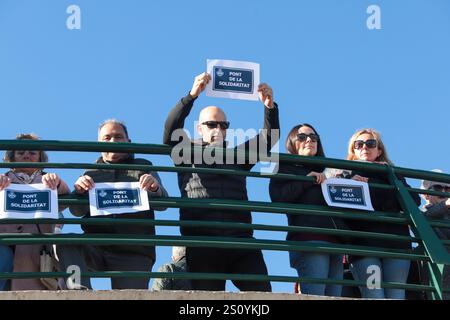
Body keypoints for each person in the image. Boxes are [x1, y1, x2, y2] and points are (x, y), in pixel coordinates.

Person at [163, 72, 279, 292]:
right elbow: (170, 132)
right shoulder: (186, 153)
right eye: (211, 124)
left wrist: (269, 108)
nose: (218, 129)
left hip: (241, 241)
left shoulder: (237, 155)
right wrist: (192, 96)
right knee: (207, 302)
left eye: (224, 125)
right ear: (199, 128)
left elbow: (268, 140)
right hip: (202, 242)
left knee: (263, 296)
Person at [56, 119, 168, 290]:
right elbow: (76, 211)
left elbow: (163, 204)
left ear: (128, 142)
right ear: (99, 144)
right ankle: (78, 290)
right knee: (66, 242)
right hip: (96, 246)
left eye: (118, 137)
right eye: (107, 138)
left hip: (134, 251)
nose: (113, 141)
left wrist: (154, 187)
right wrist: (79, 192)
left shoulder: (144, 166)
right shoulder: (90, 171)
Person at [328, 128, 421, 299]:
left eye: (371, 143)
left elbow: (413, 201)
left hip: (396, 245)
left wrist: (371, 183)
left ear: (379, 151)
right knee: (374, 295)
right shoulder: (344, 174)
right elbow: (342, 206)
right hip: (364, 246)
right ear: (353, 150)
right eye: (359, 144)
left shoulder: (392, 173)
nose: (365, 147)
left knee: (396, 295)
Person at [269, 124, 347, 297]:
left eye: (313, 137)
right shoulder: (284, 166)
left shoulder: (330, 169)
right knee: (316, 296)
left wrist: (350, 182)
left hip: (336, 243)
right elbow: (278, 198)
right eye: (302, 137)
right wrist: (307, 180)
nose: (309, 140)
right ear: (292, 142)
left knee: (335, 296)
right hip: (309, 240)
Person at [0, 133, 70, 291]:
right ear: (11, 158)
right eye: (20, 152)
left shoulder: (48, 179)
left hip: (37, 247)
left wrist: (57, 183)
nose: (26, 155)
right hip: (6, 242)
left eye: (32, 153)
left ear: (40, 158)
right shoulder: (3, 179)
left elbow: (65, 202)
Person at [420, 170, 450, 300]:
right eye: (438, 187)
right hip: (438, 268)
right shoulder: (421, 212)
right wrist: (446, 205)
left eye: (448, 188)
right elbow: (422, 219)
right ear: (426, 194)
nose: (443, 192)